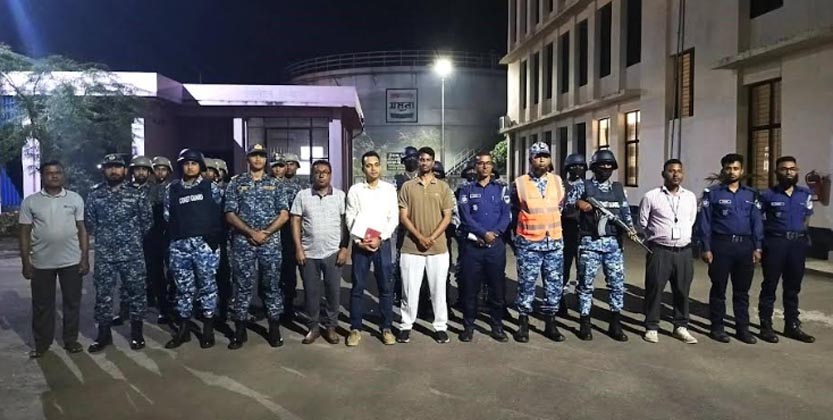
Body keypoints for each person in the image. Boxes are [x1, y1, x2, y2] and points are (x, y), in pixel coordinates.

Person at [18, 161, 89, 358]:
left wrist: (84, 257)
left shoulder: (75, 199)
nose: (54, 176)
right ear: (42, 176)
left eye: (58, 172)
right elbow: (24, 233)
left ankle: (71, 340)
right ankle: (42, 343)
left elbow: (82, 229)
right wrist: (25, 262)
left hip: (71, 261)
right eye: (49, 173)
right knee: (42, 305)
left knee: (72, 303)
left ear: (63, 175)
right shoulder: (30, 202)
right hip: (41, 262)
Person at [567, 149, 639, 342]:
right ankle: (585, 321)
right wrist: (579, 204)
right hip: (590, 243)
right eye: (602, 166)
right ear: (594, 167)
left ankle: (615, 322)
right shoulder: (583, 186)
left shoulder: (618, 189)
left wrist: (631, 229)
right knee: (585, 285)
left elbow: (625, 212)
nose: (606, 169)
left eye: (609, 166)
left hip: (614, 245)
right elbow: (566, 205)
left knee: (616, 285)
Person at [224, 144, 290, 349]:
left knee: (271, 285)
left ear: (266, 159)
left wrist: (266, 233)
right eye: (254, 155)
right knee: (242, 286)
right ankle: (240, 330)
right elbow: (229, 214)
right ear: (248, 159)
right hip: (243, 242)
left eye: (262, 156)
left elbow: (284, 214)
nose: (258, 159)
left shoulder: (276, 184)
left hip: (270, 243)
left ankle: (274, 328)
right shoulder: (236, 183)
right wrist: (251, 233)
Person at [85, 154, 152, 353]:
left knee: (136, 294)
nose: (113, 171)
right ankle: (104, 335)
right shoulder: (95, 194)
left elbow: (147, 221)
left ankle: (137, 334)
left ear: (125, 170)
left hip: (132, 254)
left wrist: (130, 238)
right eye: (109, 167)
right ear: (104, 170)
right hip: (105, 255)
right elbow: (90, 222)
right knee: (103, 295)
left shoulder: (136, 193)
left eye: (117, 167)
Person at [696, 153, 763, 344]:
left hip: (745, 246)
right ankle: (717, 327)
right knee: (719, 289)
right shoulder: (713, 193)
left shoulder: (751, 194)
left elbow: (757, 221)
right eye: (728, 168)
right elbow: (705, 222)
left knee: (742, 291)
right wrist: (706, 247)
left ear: (741, 170)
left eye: (735, 168)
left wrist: (758, 247)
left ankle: (743, 329)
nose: (732, 172)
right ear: (723, 170)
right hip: (721, 246)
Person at [163, 148, 224, 349]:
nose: (189, 167)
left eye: (194, 163)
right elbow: (167, 216)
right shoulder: (171, 189)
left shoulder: (210, 188)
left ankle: (208, 328)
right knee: (183, 289)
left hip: (204, 247)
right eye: (186, 163)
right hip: (180, 246)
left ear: (200, 166)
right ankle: (183, 329)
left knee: (207, 287)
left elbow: (221, 213)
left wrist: (211, 239)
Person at [396, 147, 454, 344]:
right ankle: (406, 325)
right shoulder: (408, 187)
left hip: (438, 248)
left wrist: (431, 237)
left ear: (433, 162)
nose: (424, 163)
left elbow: (447, 217)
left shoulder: (443, 187)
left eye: (428, 159)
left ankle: (440, 327)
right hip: (411, 247)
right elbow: (403, 217)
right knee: (409, 290)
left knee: (438, 290)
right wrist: (420, 237)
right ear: (418, 161)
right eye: (422, 159)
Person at [510, 142, 567, 343]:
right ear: (530, 160)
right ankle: (523, 323)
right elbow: (513, 211)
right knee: (526, 284)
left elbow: (561, 207)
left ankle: (550, 323)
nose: (541, 159)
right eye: (537, 156)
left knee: (554, 286)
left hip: (554, 243)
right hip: (529, 244)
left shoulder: (558, 181)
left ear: (550, 159)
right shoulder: (519, 183)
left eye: (545, 156)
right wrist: (516, 240)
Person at [638, 159, 699, 344]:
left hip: (684, 252)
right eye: (671, 171)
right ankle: (651, 327)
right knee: (655, 288)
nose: (675, 174)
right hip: (659, 250)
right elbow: (642, 223)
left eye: (679, 171)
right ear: (663, 174)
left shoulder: (690, 197)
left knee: (682, 290)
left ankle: (681, 326)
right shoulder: (651, 196)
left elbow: (691, 220)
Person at [758, 156, 815, 343]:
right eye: (784, 169)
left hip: (797, 245)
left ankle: (792, 325)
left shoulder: (804, 194)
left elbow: (806, 217)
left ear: (796, 171)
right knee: (770, 285)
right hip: (775, 244)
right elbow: (758, 220)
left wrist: (802, 236)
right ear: (777, 172)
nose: (789, 172)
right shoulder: (767, 195)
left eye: (792, 169)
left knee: (793, 287)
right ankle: (766, 326)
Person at [291, 159, 349, 345]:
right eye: (317, 172)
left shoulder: (340, 196)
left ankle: (331, 327)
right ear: (312, 175)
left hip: (333, 252)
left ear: (330, 175)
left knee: (333, 292)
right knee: (311, 293)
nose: (321, 175)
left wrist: (344, 248)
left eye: (325, 172)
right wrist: (299, 249)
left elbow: (346, 224)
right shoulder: (303, 195)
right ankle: (313, 327)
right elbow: (295, 221)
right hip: (309, 253)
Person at [345, 151, 400, 346]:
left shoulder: (389, 190)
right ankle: (355, 328)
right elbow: (350, 217)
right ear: (363, 168)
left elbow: (393, 218)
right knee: (358, 287)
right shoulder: (355, 190)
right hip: (360, 245)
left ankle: (386, 328)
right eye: (369, 165)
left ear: (381, 166)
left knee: (385, 287)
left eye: (376, 164)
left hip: (382, 244)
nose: (373, 169)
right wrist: (357, 240)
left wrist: (380, 238)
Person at [457, 151, 510, 342]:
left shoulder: (501, 190)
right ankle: (468, 327)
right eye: (481, 163)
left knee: (497, 289)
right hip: (473, 248)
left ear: (492, 166)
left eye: (488, 163)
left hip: (495, 246)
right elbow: (465, 217)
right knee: (470, 289)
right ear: (475, 166)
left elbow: (506, 216)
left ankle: (497, 327)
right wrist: (482, 233)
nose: (485, 166)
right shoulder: (466, 190)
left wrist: (494, 234)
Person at [560, 153, 587, 316]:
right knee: (563, 267)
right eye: (574, 166)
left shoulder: (588, 186)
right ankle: (560, 299)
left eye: (581, 166)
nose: (577, 169)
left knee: (583, 268)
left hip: (583, 230)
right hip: (565, 229)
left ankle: (581, 298)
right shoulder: (561, 186)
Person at [393, 146, 420, 305]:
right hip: (401, 227)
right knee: (399, 263)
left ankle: (421, 299)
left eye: (414, 158)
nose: (411, 161)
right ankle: (399, 293)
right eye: (408, 159)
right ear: (403, 162)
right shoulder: (397, 180)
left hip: (420, 224)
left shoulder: (423, 178)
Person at [278, 152, 303, 320]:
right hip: (276, 231)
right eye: (285, 164)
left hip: (293, 232)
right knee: (274, 271)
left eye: (292, 164)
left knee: (290, 271)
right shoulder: (274, 183)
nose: (289, 167)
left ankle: (289, 305)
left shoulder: (302, 186)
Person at [150, 156, 174, 324]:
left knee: (173, 271)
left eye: (163, 169)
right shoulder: (147, 190)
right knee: (156, 273)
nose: (160, 172)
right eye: (157, 169)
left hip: (171, 235)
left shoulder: (174, 188)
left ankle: (174, 302)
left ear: (168, 172)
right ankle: (163, 307)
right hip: (153, 236)